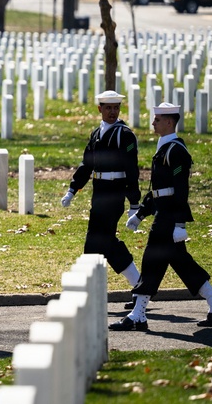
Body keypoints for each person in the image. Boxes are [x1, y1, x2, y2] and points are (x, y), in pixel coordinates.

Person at [110, 103, 212, 331]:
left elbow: (180, 190)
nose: (153, 123)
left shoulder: (176, 151)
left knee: (151, 262)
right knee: (182, 263)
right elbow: (158, 190)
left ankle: (138, 315)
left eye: (157, 119)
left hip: (168, 218)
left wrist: (179, 223)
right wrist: (141, 213)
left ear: (169, 122)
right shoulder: (164, 147)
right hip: (163, 213)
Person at [61, 90, 142, 288]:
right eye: (108, 108)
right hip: (99, 194)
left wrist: (134, 202)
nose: (112, 112)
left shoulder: (125, 135)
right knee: (98, 240)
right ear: (100, 109)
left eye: (116, 108)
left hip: (114, 193)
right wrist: (73, 189)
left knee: (101, 239)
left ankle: (92, 287)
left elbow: (132, 169)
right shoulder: (97, 133)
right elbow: (86, 164)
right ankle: (138, 284)